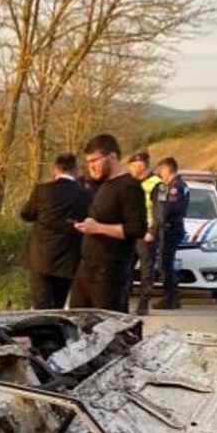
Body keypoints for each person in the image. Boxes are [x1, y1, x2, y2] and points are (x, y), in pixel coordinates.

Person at [70, 134, 148, 311]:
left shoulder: (129, 186)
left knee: (108, 329)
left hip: (109, 274)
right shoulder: (104, 185)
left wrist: (97, 228)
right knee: (75, 324)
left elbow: (137, 229)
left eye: (95, 160)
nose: (91, 166)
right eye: (88, 162)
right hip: (86, 269)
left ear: (112, 157)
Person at [19, 153, 91, 309]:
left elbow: (26, 214)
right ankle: (56, 332)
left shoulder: (42, 190)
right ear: (75, 170)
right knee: (58, 305)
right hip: (68, 258)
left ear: (55, 169)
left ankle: (40, 333)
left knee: (41, 305)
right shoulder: (85, 195)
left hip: (41, 257)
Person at [126, 151, 163, 316]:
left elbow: (160, 213)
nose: (131, 169)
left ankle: (143, 304)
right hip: (131, 233)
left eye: (133, 165)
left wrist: (152, 231)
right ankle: (123, 301)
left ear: (141, 165)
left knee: (146, 271)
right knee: (125, 268)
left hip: (146, 234)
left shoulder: (158, 185)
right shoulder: (132, 183)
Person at [152, 157, 190, 310]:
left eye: (161, 170)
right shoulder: (170, 186)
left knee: (166, 264)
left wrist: (158, 222)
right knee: (165, 263)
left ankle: (170, 298)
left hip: (171, 227)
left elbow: (168, 209)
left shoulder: (175, 187)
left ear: (168, 169)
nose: (159, 173)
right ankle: (172, 297)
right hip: (171, 227)